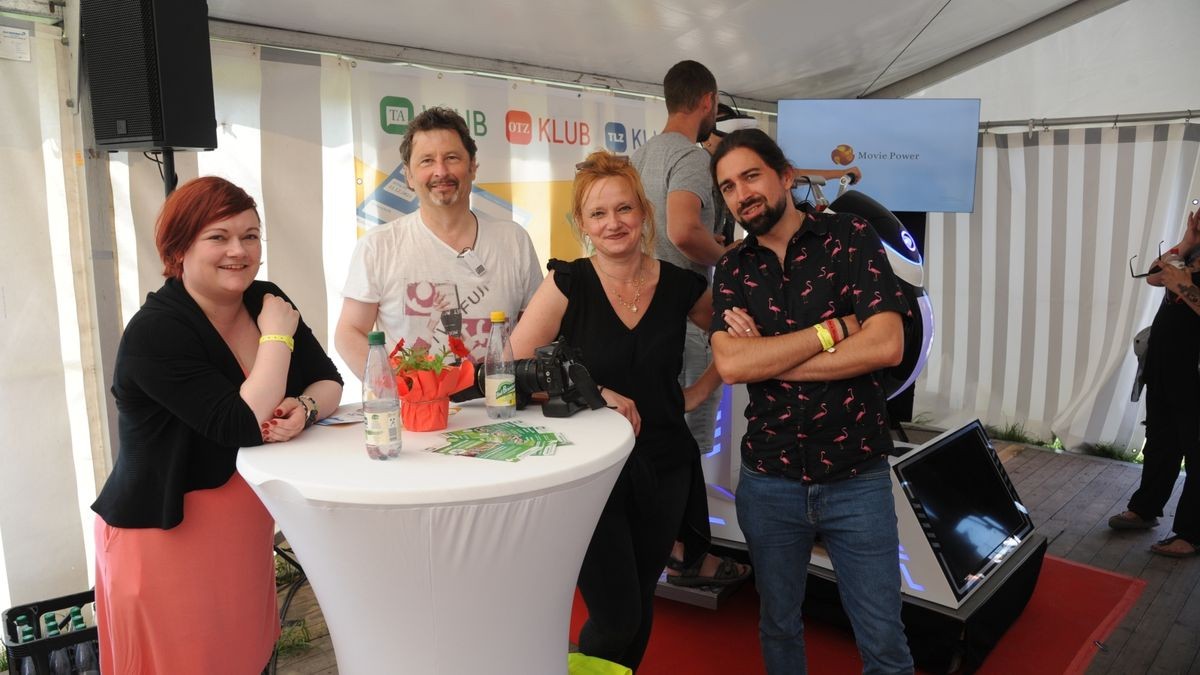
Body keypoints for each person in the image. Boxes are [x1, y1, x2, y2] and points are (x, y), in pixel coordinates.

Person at [91, 177, 344, 674]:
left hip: (242, 528)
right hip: (165, 536)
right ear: (179, 247)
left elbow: (329, 381)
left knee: (247, 658)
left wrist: (305, 409)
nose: (239, 250)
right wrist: (276, 338)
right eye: (219, 236)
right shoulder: (157, 332)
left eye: (251, 236)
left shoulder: (263, 298)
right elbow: (240, 423)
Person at [709, 129, 914, 674]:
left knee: (883, 638)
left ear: (785, 176)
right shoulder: (733, 268)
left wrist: (771, 357)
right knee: (779, 625)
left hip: (856, 477)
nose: (741, 193)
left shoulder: (849, 237)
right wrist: (836, 331)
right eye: (728, 186)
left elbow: (887, 344)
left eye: (751, 176)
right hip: (768, 477)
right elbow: (732, 365)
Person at [509, 151, 720, 670]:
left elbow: (733, 339)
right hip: (592, 473)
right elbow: (510, 374)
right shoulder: (568, 284)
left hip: (665, 467)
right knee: (617, 615)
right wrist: (593, 391)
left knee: (642, 597)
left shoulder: (680, 286)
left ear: (643, 212)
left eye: (624, 208)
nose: (613, 223)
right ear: (581, 223)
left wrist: (700, 390)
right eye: (598, 214)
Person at [631, 59, 749, 588]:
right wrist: (732, 254)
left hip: (642, 319)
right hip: (686, 317)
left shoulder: (639, 156)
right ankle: (685, 553)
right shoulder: (691, 158)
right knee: (685, 443)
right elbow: (683, 231)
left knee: (660, 434)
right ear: (708, 101)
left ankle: (671, 547)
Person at [336, 106, 542, 378]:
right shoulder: (378, 246)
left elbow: (540, 325)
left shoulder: (513, 240)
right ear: (408, 175)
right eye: (426, 161)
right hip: (418, 414)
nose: (440, 171)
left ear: (473, 167)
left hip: (500, 406)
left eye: (452, 158)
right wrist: (400, 390)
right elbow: (349, 333)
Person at [1108, 209, 1200, 558]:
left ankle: (1191, 534)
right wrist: (1187, 242)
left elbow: (1174, 284)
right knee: (1161, 440)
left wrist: (1185, 287)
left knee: (1196, 451)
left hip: (1195, 371)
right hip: (1165, 364)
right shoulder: (1191, 250)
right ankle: (1145, 509)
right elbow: (1152, 275)